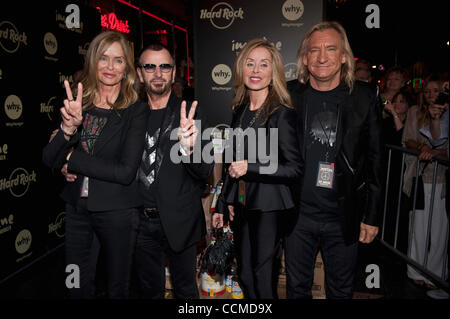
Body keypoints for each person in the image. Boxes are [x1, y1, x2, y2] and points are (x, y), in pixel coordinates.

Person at [42, 31, 149, 299]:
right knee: (76, 283)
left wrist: (72, 159)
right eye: (104, 58)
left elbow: (125, 172)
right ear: (93, 61)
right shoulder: (80, 103)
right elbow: (49, 158)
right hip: (78, 209)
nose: (110, 67)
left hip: (118, 213)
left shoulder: (136, 110)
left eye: (118, 60)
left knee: (117, 288)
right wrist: (68, 129)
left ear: (127, 68)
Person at [286, 21, 384, 299]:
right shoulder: (289, 94)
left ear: (344, 56)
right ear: (305, 58)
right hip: (298, 216)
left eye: (330, 49)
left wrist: (372, 217)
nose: (321, 57)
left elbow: (376, 161)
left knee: (340, 291)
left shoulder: (365, 97)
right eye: (314, 50)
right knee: (296, 289)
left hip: (344, 216)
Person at [211, 38, 303, 299]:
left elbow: (294, 168)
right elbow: (232, 162)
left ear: (273, 71)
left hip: (270, 207)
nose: (255, 70)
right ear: (241, 68)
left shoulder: (281, 113)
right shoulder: (240, 109)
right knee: (245, 276)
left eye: (263, 64)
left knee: (263, 279)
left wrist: (251, 168)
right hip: (242, 203)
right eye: (250, 64)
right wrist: (222, 202)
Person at [134, 43, 214, 299]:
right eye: (150, 66)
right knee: (149, 291)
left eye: (164, 66)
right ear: (139, 73)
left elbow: (204, 170)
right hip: (139, 223)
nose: (158, 72)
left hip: (180, 221)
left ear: (173, 72)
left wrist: (190, 148)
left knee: (186, 290)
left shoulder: (191, 113)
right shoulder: (130, 114)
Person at [402, 75, 448, 290]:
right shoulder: (414, 112)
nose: (431, 95)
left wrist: (441, 152)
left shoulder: (447, 113)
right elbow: (408, 139)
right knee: (418, 225)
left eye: (436, 90)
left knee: (440, 229)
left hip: (443, 178)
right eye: (427, 91)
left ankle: (436, 274)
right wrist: (424, 148)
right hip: (420, 175)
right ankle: (415, 270)